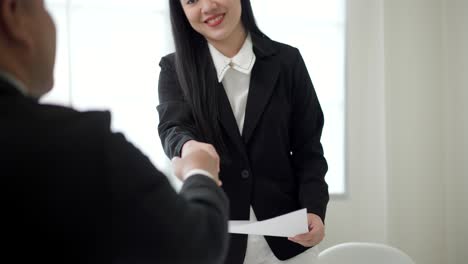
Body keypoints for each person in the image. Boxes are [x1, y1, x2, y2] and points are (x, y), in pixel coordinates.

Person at [0, 0, 229, 263]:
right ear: (13, 12)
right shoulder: (80, 147)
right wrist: (200, 172)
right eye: (45, 9)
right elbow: (195, 246)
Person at [157, 0, 329, 263]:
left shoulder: (287, 62)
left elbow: (309, 149)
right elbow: (173, 127)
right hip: (217, 241)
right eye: (192, 0)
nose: (207, 6)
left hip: (289, 241)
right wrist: (188, 148)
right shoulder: (175, 68)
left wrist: (314, 209)